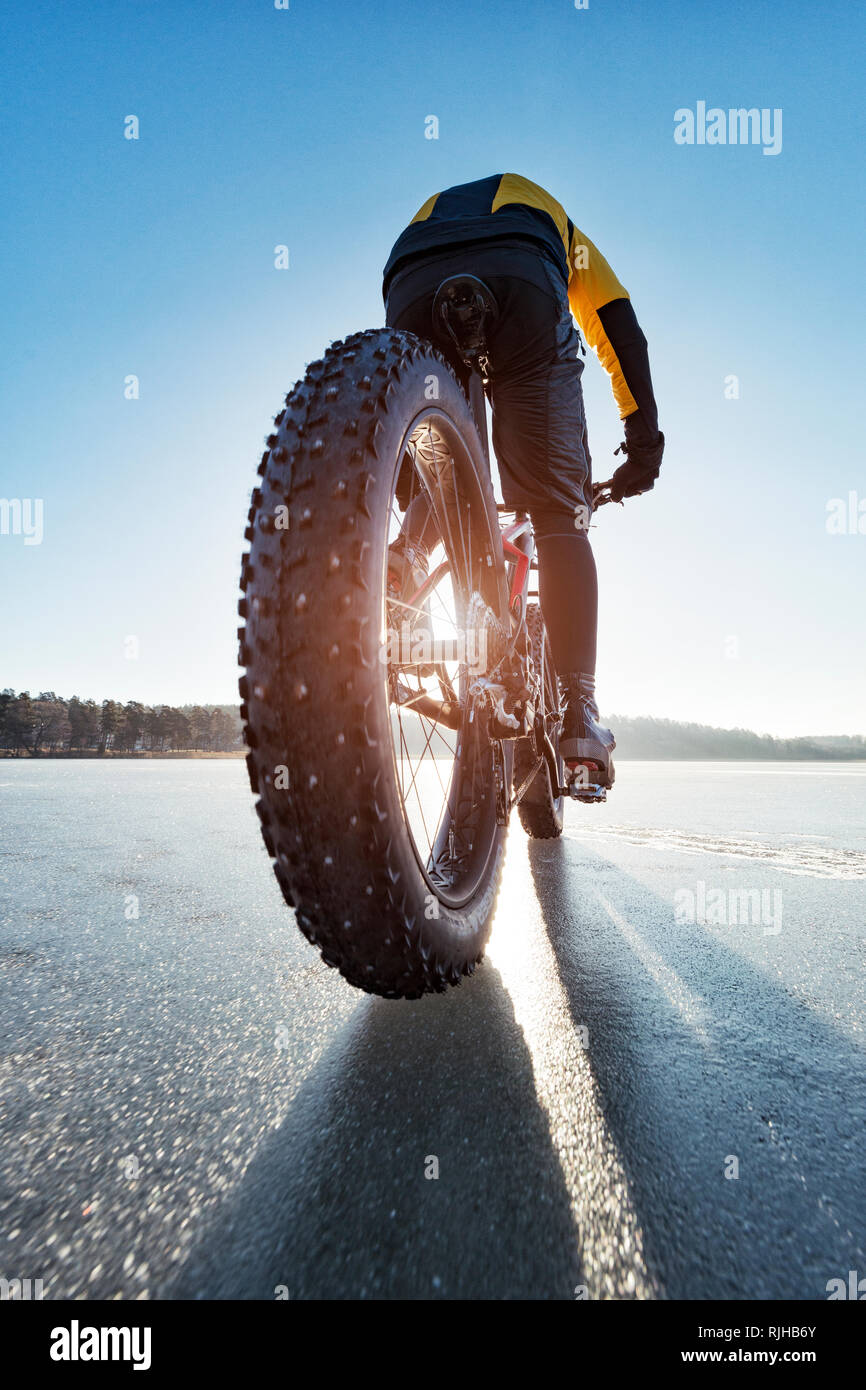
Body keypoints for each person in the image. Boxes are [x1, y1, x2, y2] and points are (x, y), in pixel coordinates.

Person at [382, 173, 664, 787]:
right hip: (522, 272)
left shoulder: (436, 206)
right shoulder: (559, 222)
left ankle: (404, 556)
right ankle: (578, 714)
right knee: (562, 518)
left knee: (446, 469)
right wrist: (643, 444)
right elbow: (618, 326)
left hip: (410, 278)